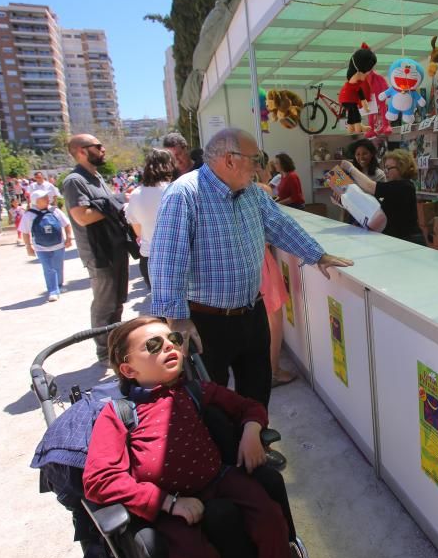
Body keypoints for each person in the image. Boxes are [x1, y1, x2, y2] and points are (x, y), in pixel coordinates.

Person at [83, 316, 297, 558]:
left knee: (270, 518)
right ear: (128, 368)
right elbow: (99, 479)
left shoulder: (195, 390)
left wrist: (251, 432)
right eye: (153, 345)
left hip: (219, 478)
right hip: (167, 504)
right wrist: (168, 502)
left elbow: (248, 407)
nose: (169, 347)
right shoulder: (119, 414)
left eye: (173, 340)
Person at [149, 128, 352, 412]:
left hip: (251, 312)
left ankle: (257, 448)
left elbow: (279, 226)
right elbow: (167, 260)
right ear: (230, 160)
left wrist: (318, 255)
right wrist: (177, 319)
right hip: (207, 321)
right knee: (212, 397)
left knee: (257, 387)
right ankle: (227, 454)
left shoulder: (251, 194)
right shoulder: (185, 194)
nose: (259, 166)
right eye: (254, 159)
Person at [62, 134, 132, 364]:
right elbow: (82, 216)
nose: (103, 149)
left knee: (118, 300)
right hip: (99, 253)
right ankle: (104, 351)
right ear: (82, 151)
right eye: (98, 146)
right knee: (105, 303)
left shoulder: (96, 176)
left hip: (115, 247)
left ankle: (114, 345)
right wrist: (117, 202)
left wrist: (115, 203)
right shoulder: (75, 181)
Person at [253, 154, 297, 388]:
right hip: (262, 260)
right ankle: (273, 370)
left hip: (248, 263)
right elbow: (278, 227)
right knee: (273, 319)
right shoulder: (260, 190)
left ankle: (260, 371)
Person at [339, 146, 425, 245]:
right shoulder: (393, 186)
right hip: (396, 240)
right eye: (385, 168)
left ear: (402, 167)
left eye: (389, 168)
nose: (385, 171)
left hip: (408, 241)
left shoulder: (404, 186)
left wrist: (350, 168)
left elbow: (369, 186)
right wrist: (344, 201)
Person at [126, 149, 174, 290]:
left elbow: (138, 231)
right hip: (175, 256)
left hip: (149, 258)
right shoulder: (175, 190)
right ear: (169, 166)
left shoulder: (135, 194)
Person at [21, 189, 73, 302]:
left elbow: (66, 224)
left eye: (46, 197)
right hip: (41, 247)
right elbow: (25, 232)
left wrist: (69, 238)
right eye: (43, 198)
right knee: (48, 268)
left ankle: (59, 285)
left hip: (58, 245)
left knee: (58, 267)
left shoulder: (55, 211)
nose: (47, 199)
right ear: (36, 201)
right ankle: (53, 291)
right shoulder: (29, 215)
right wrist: (28, 246)